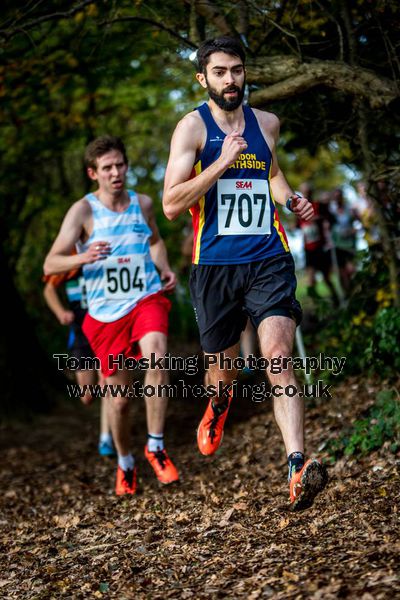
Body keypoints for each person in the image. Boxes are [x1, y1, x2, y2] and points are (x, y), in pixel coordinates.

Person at [163, 36, 327, 510]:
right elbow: (173, 204)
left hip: (268, 259)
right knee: (224, 371)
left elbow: (271, 174)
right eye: (219, 72)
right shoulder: (191, 129)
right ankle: (218, 405)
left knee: (278, 353)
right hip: (214, 266)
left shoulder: (266, 124)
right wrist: (220, 163)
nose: (230, 80)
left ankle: (297, 465)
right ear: (203, 78)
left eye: (236, 70)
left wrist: (291, 198)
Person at [44, 135, 179, 495]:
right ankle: (125, 462)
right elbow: (50, 262)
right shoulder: (83, 211)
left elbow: (154, 241)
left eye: (120, 165)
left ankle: (155, 445)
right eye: (107, 168)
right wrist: (82, 257)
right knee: (118, 400)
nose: (116, 173)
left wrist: (163, 268)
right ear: (93, 173)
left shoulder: (143, 203)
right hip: (104, 315)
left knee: (157, 356)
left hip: (144, 298)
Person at [43, 265, 116, 457]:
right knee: (87, 396)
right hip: (80, 334)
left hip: (104, 327)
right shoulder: (71, 262)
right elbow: (49, 289)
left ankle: (106, 438)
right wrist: (60, 312)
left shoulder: (102, 257)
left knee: (107, 382)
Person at [297, 183, 339, 304]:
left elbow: (331, 219)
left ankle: (336, 298)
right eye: (304, 192)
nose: (306, 194)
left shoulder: (319, 206)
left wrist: (320, 220)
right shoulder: (298, 208)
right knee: (310, 279)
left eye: (308, 192)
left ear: (312, 192)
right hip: (308, 248)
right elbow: (297, 225)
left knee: (326, 278)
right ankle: (316, 305)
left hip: (321, 247)